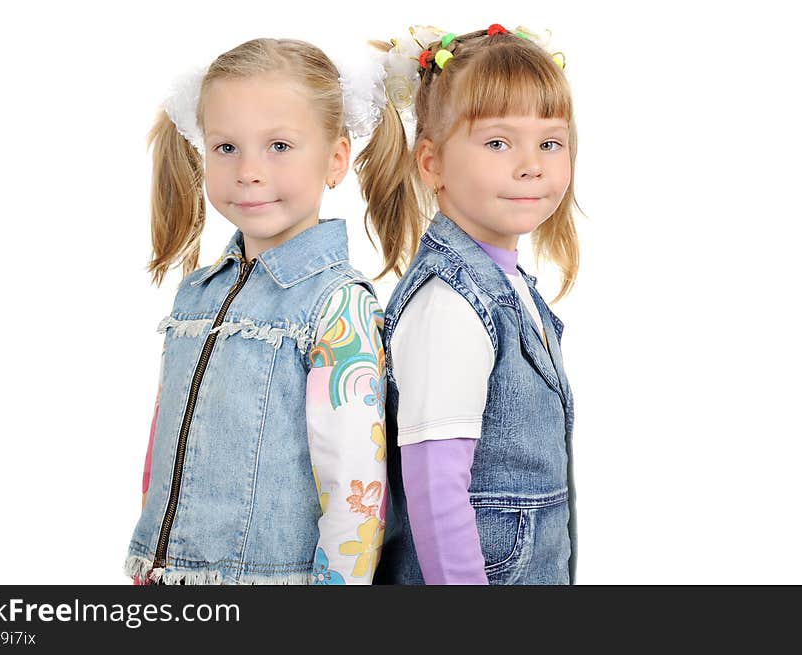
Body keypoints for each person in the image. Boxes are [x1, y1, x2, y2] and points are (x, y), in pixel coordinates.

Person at [124, 38, 386, 585]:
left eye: (280, 146)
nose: (248, 171)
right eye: (226, 148)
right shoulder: (195, 294)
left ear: (336, 159)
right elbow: (163, 444)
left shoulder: (338, 304)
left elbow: (357, 491)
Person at [354, 23, 580, 584]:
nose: (531, 164)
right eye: (498, 142)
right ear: (431, 164)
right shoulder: (451, 302)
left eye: (549, 142)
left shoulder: (508, 287)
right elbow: (435, 490)